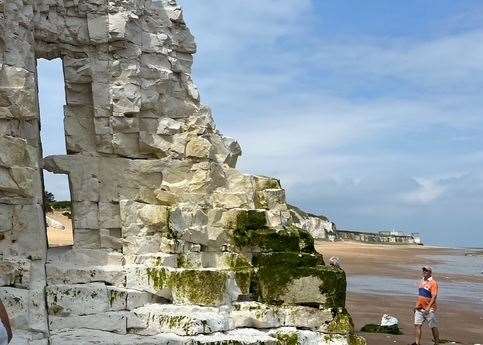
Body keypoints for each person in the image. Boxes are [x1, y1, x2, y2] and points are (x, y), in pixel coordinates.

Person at [412, 266, 440, 345]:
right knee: (417, 325)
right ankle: (417, 343)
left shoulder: (433, 283)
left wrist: (428, 308)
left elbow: (434, 296)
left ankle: (436, 343)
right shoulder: (421, 281)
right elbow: (420, 295)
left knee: (433, 326)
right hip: (420, 308)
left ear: (430, 273)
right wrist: (416, 305)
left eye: (426, 270)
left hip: (429, 309)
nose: (424, 271)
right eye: (423, 270)